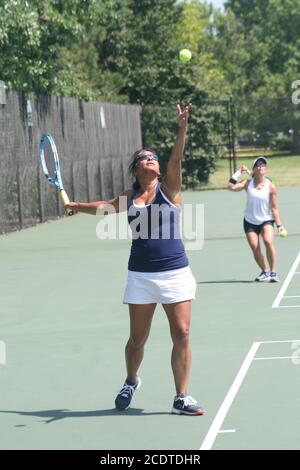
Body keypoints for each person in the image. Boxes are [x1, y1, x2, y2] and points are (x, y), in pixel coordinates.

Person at [66, 103, 204, 416]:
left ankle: (181, 397)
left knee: (182, 332)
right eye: (145, 157)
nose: (151, 159)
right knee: (137, 339)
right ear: (136, 169)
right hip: (141, 277)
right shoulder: (128, 200)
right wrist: (75, 205)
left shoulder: (170, 188)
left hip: (176, 273)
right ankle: (131, 380)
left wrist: (182, 127)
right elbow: (102, 205)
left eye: (154, 157)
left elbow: (176, 157)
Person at [227, 156, 286, 282]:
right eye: (258, 165)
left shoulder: (271, 186)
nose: (261, 167)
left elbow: (274, 208)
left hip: (266, 220)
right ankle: (265, 271)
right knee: (255, 247)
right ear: (254, 169)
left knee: (268, 241)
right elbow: (230, 187)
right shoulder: (247, 184)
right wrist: (238, 172)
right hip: (250, 221)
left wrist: (280, 225)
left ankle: (273, 273)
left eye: (263, 165)